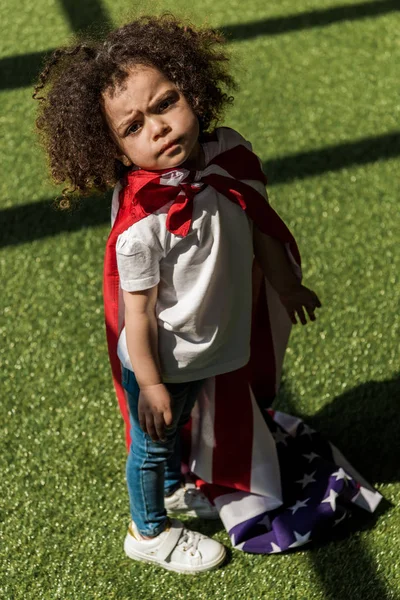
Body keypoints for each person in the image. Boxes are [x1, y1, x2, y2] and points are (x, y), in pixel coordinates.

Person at [33, 15, 322, 573]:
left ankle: (171, 489)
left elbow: (260, 224)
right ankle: (149, 532)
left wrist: (286, 284)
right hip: (160, 356)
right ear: (111, 149)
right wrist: (149, 382)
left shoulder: (229, 157)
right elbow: (134, 313)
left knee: (177, 427)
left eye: (166, 103)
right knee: (151, 443)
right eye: (133, 127)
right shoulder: (143, 227)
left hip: (201, 343)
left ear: (193, 86)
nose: (159, 129)